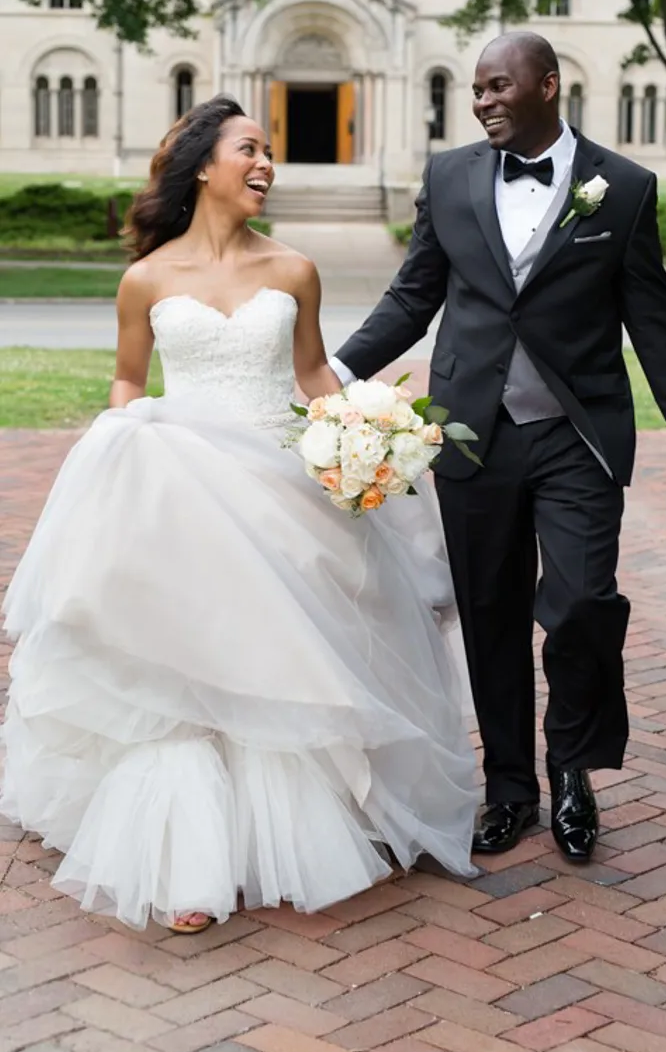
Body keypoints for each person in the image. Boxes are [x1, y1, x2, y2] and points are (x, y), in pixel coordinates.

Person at [1, 95, 478, 933]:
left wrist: (362, 437)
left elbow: (313, 378)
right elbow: (126, 382)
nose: (265, 165)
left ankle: (309, 830)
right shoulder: (145, 279)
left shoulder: (293, 270)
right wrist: (112, 448)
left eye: (269, 152)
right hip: (179, 485)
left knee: (282, 654)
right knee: (184, 661)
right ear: (202, 166)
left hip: (282, 488)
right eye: (249, 149)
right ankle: (189, 856)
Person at [332, 32, 666, 863]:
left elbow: (652, 321)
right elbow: (413, 299)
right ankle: (511, 786)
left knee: (582, 604)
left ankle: (573, 769)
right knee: (491, 616)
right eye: (476, 90)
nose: (483, 102)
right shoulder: (449, 177)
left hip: (576, 435)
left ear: (548, 86)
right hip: (472, 436)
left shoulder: (622, 188)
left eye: (499, 87)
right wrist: (331, 370)